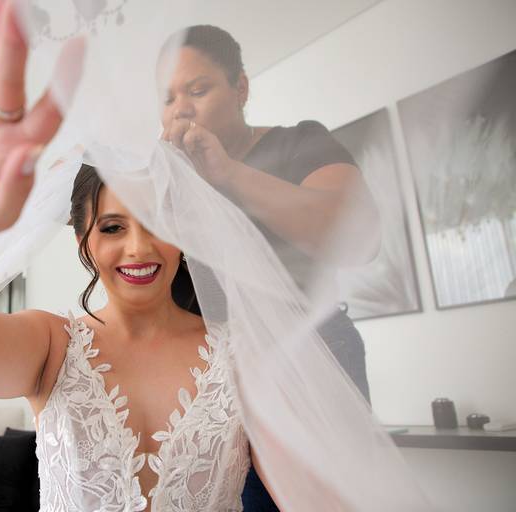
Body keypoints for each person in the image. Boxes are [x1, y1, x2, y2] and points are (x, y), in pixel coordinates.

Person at [0, 4, 252, 509]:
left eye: (158, 224)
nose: (139, 248)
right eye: (112, 227)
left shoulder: (242, 354)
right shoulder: (52, 346)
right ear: (82, 237)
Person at [158, 25, 380, 511]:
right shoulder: (166, 184)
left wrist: (226, 173)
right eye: (168, 98)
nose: (181, 109)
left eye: (198, 90)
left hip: (310, 358)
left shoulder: (300, 142)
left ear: (240, 88)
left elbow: (357, 234)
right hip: (214, 382)